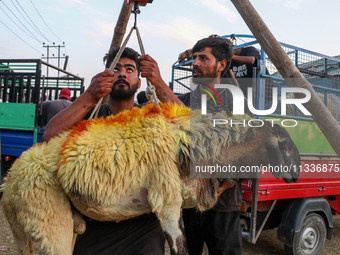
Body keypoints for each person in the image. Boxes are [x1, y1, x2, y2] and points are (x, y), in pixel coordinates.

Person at [42, 47, 182, 255]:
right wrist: (89, 95)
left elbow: (195, 135)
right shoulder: (88, 117)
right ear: (105, 76)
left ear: (139, 81)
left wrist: (159, 83)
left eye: (129, 69)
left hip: (143, 229)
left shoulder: (151, 118)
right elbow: (49, 136)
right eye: (116, 69)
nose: (122, 73)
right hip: (96, 226)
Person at [176, 36, 253, 255]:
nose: (195, 63)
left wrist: (228, 182)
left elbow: (253, 151)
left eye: (203, 58)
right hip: (188, 203)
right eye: (194, 58)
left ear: (221, 65)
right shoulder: (184, 101)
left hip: (222, 205)